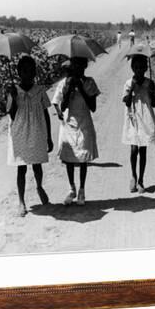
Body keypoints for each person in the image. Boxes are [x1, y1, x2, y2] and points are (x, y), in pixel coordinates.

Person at [6, 55, 54, 217]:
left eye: (31, 71)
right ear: (19, 72)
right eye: (24, 71)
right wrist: (12, 97)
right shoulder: (14, 91)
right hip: (20, 131)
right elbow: (11, 115)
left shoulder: (40, 90)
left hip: (37, 130)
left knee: (37, 164)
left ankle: (39, 186)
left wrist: (48, 136)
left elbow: (46, 113)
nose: (28, 74)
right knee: (21, 167)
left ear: (35, 73)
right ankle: (21, 201)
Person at [52, 57, 100, 206]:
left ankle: (82, 190)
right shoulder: (65, 83)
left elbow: (93, 107)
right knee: (69, 157)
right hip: (69, 123)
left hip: (84, 122)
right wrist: (70, 90)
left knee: (83, 157)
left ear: (85, 66)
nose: (78, 69)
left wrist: (82, 88)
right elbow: (63, 106)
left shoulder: (90, 82)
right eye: (75, 66)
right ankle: (71, 188)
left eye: (81, 65)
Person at [122, 55, 155, 193]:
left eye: (141, 67)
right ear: (132, 68)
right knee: (134, 149)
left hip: (145, 118)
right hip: (133, 118)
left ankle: (141, 180)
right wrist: (132, 89)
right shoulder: (128, 83)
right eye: (136, 67)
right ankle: (133, 175)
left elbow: (154, 104)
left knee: (143, 150)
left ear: (145, 68)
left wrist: (150, 93)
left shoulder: (150, 83)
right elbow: (126, 102)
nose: (138, 70)